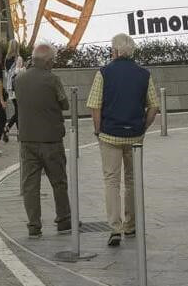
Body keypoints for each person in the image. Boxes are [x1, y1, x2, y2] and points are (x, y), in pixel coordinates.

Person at [86, 33, 160, 247]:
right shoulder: (144, 74)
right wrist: (143, 126)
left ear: (116, 51)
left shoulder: (103, 73)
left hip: (110, 134)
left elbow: (95, 106)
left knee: (111, 180)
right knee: (132, 180)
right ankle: (131, 224)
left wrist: (98, 130)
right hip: (134, 136)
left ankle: (115, 228)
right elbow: (154, 106)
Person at [15, 42, 72, 237]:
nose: (53, 63)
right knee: (59, 181)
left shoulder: (19, 79)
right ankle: (64, 220)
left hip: (27, 139)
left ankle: (34, 225)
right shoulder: (52, 79)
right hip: (51, 139)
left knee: (30, 185)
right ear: (48, 62)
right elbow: (65, 104)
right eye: (53, 60)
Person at [3, 39, 25, 142]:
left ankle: (9, 128)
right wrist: (23, 69)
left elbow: (6, 74)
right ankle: (17, 132)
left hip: (9, 87)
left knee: (17, 110)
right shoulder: (18, 58)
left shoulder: (6, 59)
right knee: (19, 110)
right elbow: (17, 72)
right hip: (17, 87)